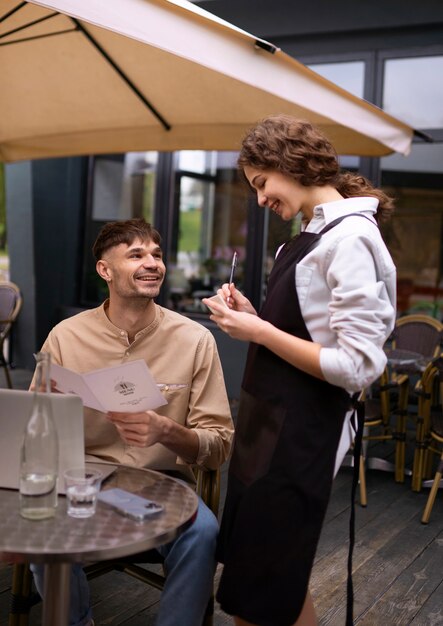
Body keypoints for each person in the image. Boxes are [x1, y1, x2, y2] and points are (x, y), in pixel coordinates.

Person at [202, 115, 397, 626]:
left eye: (262, 183)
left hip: (303, 435)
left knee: (261, 592)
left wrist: (260, 333)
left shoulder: (351, 239)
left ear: (288, 161)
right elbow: (306, 332)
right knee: (267, 585)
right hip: (264, 431)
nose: (260, 199)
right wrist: (255, 318)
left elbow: (356, 366)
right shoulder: (305, 238)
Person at [31, 218, 234, 626]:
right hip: (80, 480)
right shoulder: (65, 337)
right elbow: (32, 430)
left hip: (163, 484)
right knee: (39, 526)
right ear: (105, 270)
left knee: (203, 532)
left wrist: (167, 431)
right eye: (136, 254)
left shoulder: (195, 339)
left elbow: (220, 444)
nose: (152, 263)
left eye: (157, 255)